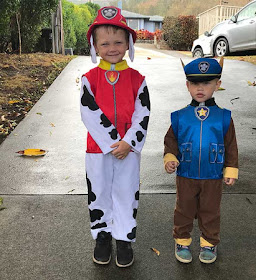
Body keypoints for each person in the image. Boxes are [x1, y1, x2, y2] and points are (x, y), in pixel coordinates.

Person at [80, 6, 150, 268]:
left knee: (126, 191)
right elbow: (89, 112)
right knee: (98, 192)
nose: (112, 48)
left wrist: (129, 142)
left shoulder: (137, 79)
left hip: (128, 150)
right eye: (105, 43)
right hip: (98, 149)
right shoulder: (90, 79)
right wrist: (112, 143)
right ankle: (102, 236)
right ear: (95, 46)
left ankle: (123, 238)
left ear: (128, 44)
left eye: (119, 42)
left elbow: (143, 112)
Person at [163, 57, 238, 264]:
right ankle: (182, 240)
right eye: (195, 83)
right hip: (186, 174)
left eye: (206, 83)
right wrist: (170, 158)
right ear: (187, 85)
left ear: (217, 85)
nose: (200, 88)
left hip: (213, 175)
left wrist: (230, 169)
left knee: (210, 210)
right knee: (184, 208)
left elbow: (231, 144)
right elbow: (171, 141)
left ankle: (209, 242)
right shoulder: (180, 116)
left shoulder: (224, 117)